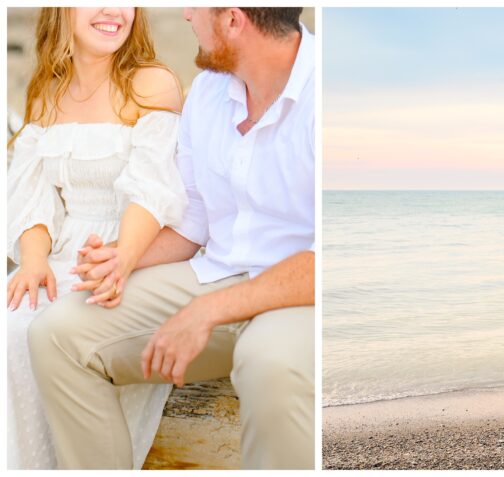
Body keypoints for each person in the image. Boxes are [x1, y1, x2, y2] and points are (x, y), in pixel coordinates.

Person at [27, 7, 314, 469]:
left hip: (304, 297)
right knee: (56, 334)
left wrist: (209, 310)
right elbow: (192, 222)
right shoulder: (207, 92)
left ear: (233, 20)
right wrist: (120, 259)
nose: (186, 15)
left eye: (197, 8)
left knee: (270, 364)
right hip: (216, 274)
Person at [6, 7, 185, 469]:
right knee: (10, 321)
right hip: (60, 254)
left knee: (39, 333)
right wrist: (32, 260)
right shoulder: (46, 91)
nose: (113, 11)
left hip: (136, 254)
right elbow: (33, 195)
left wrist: (120, 259)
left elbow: (154, 190)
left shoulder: (152, 84)